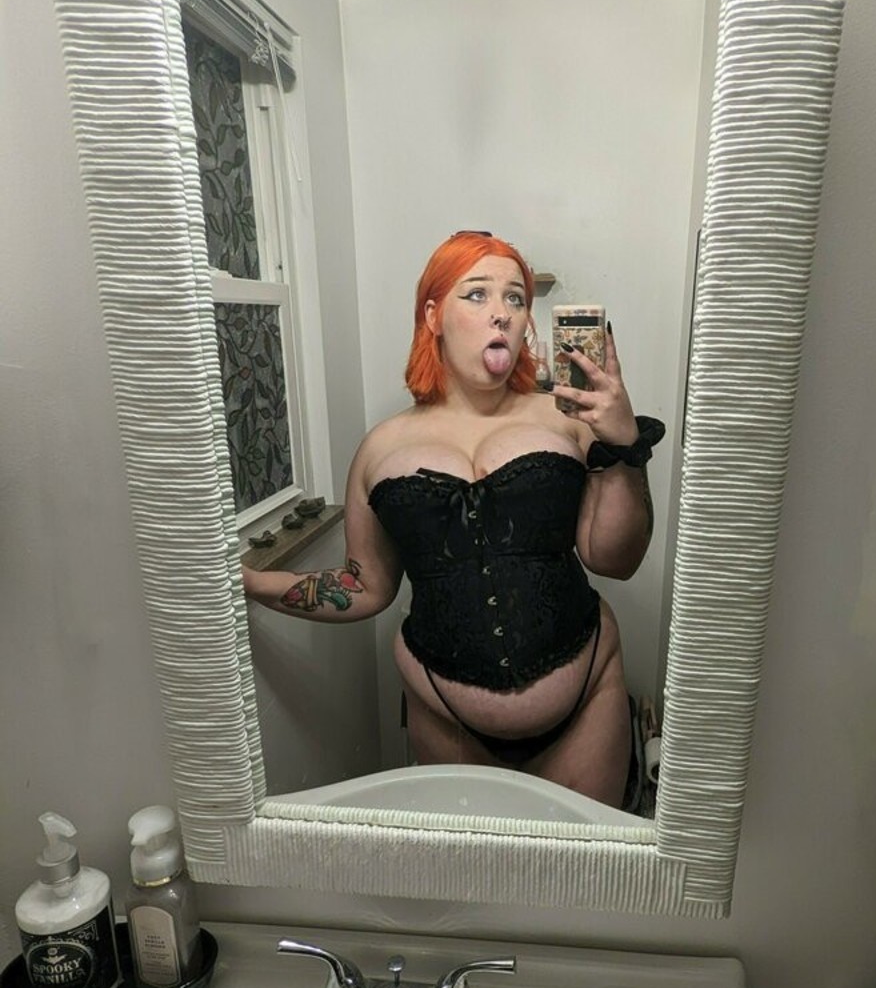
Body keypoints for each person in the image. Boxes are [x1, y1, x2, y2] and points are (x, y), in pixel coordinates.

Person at [243, 232, 663, 808]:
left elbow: (615, 559)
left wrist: (624, 445)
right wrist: (249, 582)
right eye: (477, 294)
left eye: (515, 299)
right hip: (446, 718)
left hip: (585, 701)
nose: (502, 313)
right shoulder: (380, 449)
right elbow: (364, 587)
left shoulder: (570, 420)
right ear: (433, 316)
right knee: (466, 866)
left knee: (582, 863)